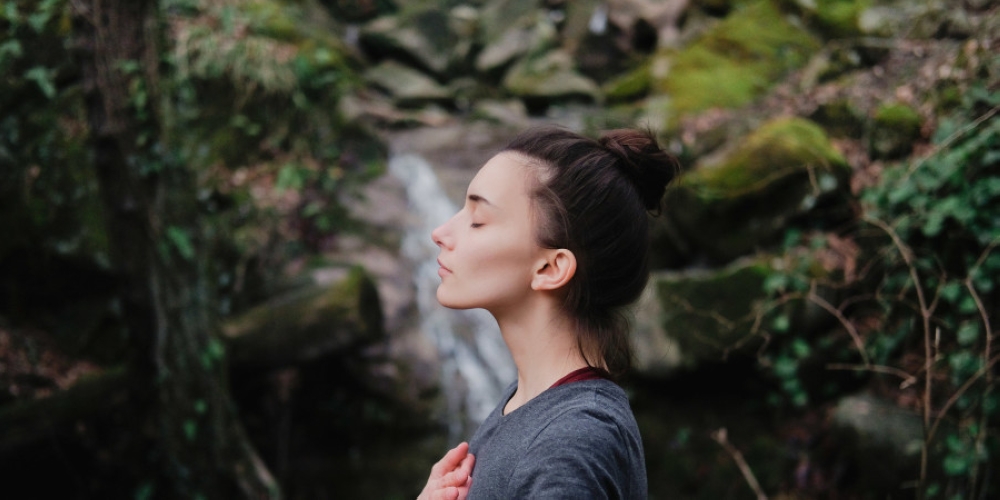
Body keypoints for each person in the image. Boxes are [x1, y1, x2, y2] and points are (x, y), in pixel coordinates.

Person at [417, 126, 679, 500]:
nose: (440, 232)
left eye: (478, 220)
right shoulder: (529, 405)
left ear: (550, 268)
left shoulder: (570, 442)